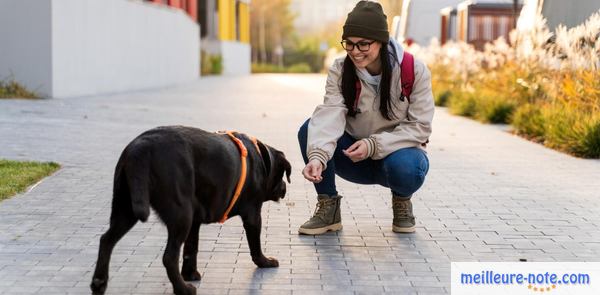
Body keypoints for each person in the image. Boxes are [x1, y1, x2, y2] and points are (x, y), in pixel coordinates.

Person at [297, 0, 434, 235]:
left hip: (395, 158)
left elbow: (420, 127)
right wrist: (318, 156)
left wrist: (374, 145)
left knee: (406, 168)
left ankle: (402, 201)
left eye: (363, 44)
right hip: (354, 157)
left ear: (381, 41)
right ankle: (328, 208)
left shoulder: (414, 70)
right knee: (309, 129)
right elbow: (330, 114)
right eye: (349, 44)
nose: (355, 52)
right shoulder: (341, 69)